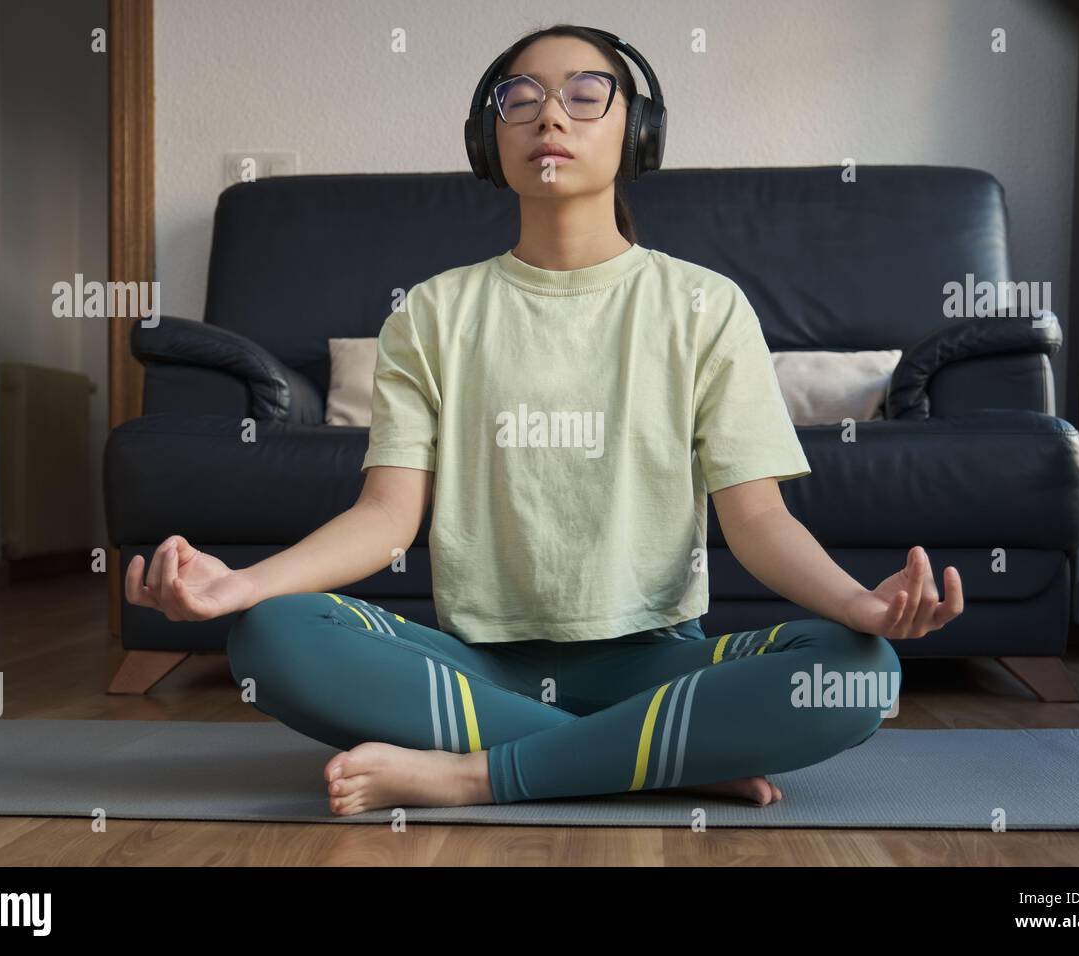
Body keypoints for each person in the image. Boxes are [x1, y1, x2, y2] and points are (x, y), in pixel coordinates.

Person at [125, 24, 964, 816]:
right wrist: (241, 584)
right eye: (519, 99)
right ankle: (655, 759)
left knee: (861, 672)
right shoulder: (429, 314)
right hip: (476, 669)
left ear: (639, 133)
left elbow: (758, 523)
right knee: (273, 635)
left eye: (585, 93)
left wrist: (861, 607)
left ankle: (477, 775)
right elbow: (385, 520)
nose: (550, 114)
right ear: (489, 139)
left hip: (659, 662)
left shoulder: (706, 306)